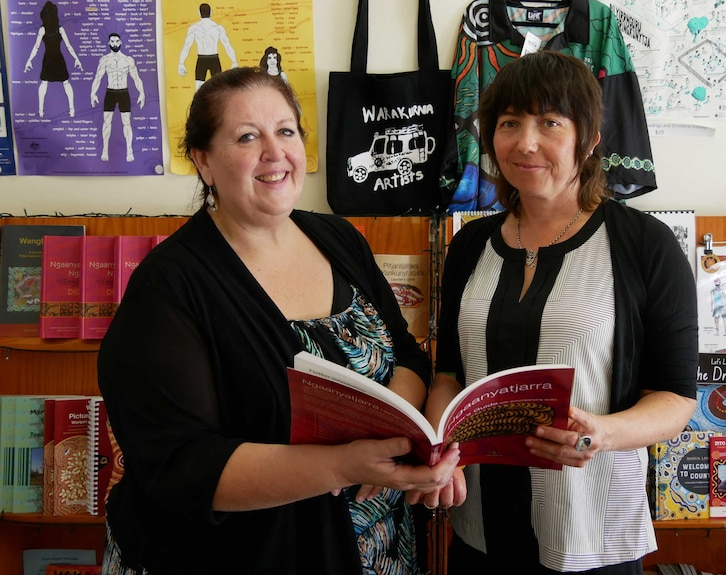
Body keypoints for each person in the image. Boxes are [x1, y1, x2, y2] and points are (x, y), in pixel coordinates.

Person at [97, 67, 460, 575]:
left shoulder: (340, 239)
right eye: (248, 136)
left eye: (285, 131)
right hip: (243, 556)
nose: (275, 151)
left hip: (374, 543)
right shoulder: (169, 286)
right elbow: (182, 467)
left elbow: (406, 356)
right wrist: (344, 463)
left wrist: (398, 438)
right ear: (203, 161)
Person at [420, 51, 698, 574]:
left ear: (589, 139)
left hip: (593, 528)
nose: (526, 142)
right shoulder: (468, 246)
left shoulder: (644, 245)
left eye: (550, 122)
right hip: (481, 524)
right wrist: (439, 449)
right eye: (508, 123)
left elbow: (677, 397)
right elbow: (449, 375)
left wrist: (600, 433)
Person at [90, 33, 145, 162]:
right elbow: (98, 78)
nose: (114, 43)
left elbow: (136, 78)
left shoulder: (128, 60)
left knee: (127, 122)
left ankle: (129, 151)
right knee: (106, 122)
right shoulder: (104, 59)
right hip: (110, 93)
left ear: (120, 42)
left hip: (123, 93)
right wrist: (93, 93)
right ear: (109, 43)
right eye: (112, 41)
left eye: (116, 41)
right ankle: (104, 150)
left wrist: (142, 93)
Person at [23, 1, 83, 118]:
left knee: (45, 83)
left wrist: (28, 60)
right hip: (58, 59)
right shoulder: (60, 29)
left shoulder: (43, 30)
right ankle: (72, 110)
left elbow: (36, 47)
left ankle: (41, 111)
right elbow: (69, 46)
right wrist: (77, 59)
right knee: (65, 83)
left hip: (49, 60)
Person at [178, 3, 238, 91]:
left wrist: (181, 63)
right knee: (218, 90)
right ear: (211, 12)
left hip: (202, 60)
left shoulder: (194, 28)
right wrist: (234, 61)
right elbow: (227, 45)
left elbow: (187, 46)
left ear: (199, 13)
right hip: (214, 60)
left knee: (199, 90)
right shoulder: (218, 28)